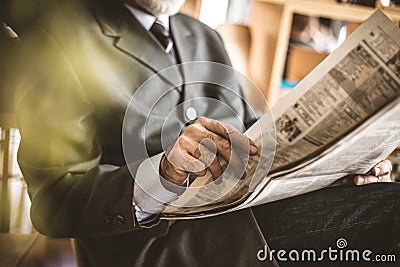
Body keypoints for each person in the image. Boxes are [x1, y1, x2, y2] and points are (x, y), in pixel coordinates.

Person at [12, 0, 399, 266]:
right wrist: (163, 174)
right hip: (155, 250)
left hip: (246, 214)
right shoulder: (57, 41)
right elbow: (54, 201)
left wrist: (336, 173)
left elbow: (262, 141)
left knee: (381, 197)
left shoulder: (202, 35)